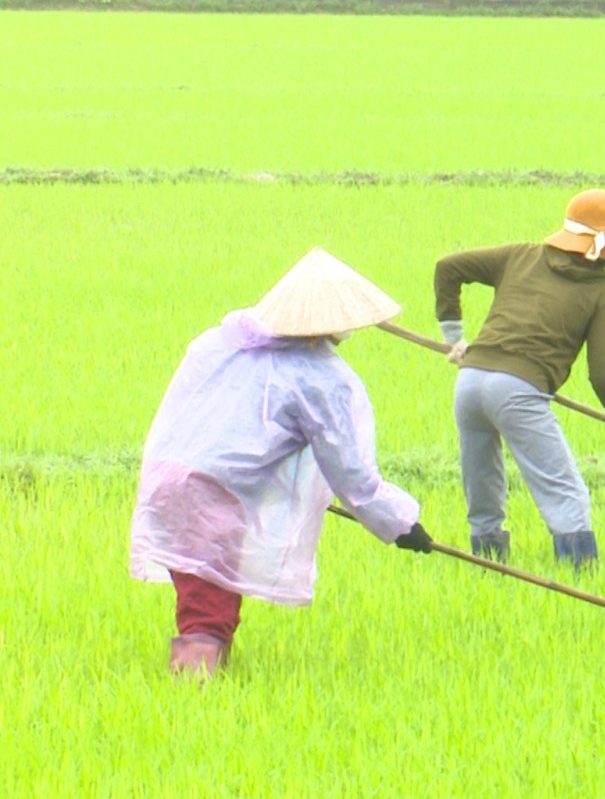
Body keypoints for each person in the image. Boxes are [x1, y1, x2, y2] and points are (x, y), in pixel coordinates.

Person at [131, 248, 434, 677]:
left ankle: (209, 688)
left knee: (208, 595)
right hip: (213, 494)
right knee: (207, 610)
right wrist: (401, 525)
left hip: (168, 479)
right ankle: (190, 705)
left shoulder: (219, 341)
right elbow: (353, 477)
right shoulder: (320, 378)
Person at [435, 189, 605, 569]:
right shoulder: (601, 294)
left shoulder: (520, 256)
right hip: (517, 393)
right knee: (566, 496)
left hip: (470, 382)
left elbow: (447, 267)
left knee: (483, 492)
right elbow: (603, 374)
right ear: (602, 247)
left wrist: (453, 336)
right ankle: (582, 585)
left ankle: (488, 572)